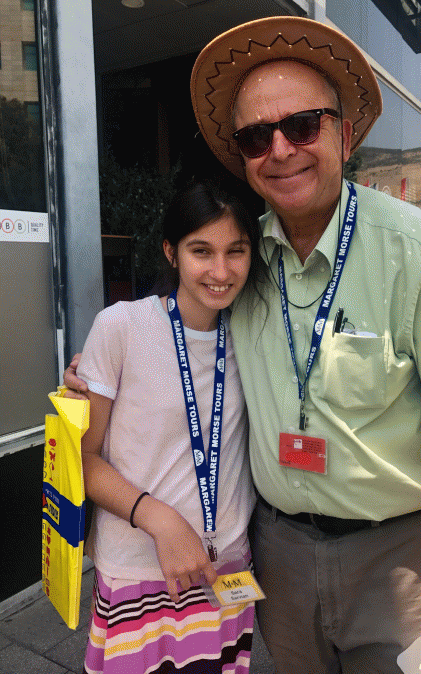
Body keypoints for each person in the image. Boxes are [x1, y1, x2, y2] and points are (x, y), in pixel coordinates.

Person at [67, 17, 421, 674]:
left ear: (344, 135)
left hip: (400, 558)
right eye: (256, 136)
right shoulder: (244, 258)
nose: (280, 149)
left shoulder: (410, 247)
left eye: (302, 125)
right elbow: (179, 334)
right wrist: (100, 370)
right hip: (278, 552)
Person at [77, 178, 262, 674]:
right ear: (170, 252)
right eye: (201, 251)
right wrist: (159, 519)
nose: (220, 271)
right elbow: (83, 458)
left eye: (236, 251)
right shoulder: (121, 327)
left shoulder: (251, 334)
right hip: (139, 571)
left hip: (225, 571)